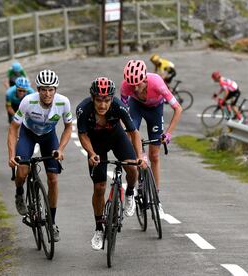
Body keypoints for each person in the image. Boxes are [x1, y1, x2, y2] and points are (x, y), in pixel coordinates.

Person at [76, 77, 146, 251]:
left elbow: (133, 132)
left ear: (111, 99)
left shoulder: (119, 107)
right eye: (99, 100)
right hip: (96, 145)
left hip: (117, 138)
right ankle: (99, 228)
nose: (103, 105)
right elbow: (83, 135)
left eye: (107, 100)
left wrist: (139, 156)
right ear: (92, 98)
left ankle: (130, 192)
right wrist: (91, 154)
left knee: (131, 167)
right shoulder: (83, 110)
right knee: (99, 187)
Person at [7, 69, 72, 242]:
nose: (47, 93)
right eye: (43, 89)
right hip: (28, 134)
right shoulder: (28, 101)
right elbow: (14, 129)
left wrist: (61, 149)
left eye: (51, 89)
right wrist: (12, 155)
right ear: (38, 89)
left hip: (49, 137)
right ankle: (20, 192)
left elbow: (68, 127)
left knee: (53, 179)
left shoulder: (63, 102)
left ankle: (52, 222)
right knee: (21, 172)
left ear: (55, 90)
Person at [121, 59, 182, 215]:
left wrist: (168, 134)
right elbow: (123, 114)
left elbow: (178, 109)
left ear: (145, 79)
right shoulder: (126, 86)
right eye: (131, 84)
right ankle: (135, 184)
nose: (135, 88)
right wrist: (132, 137)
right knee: (131, 135)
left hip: (155, 110)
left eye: (138, 84)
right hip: (136, 108)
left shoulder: (157, 82)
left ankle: (156, 199)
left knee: (154, 155)